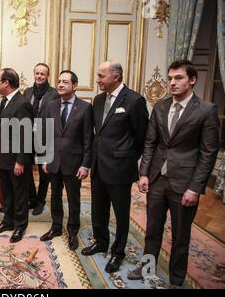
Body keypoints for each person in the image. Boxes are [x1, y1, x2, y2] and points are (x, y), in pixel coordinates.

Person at [127, 60, 220, 288]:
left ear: (192, 80)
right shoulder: (160, 106)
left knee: (180, 237)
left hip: (185, 183)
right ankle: (147, 267)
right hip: (158, 179)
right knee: (153, 229)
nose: (172, 82)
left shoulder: (207, 110)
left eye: (178, 78)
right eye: (170, 78)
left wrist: (195, 188)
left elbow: (208, 153)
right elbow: (150, 143)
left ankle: (177, 280)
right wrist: (144, 174)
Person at [81, 61, 148, 273]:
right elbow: (96, 133)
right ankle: (101, 242)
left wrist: (125, 157)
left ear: (116, 76)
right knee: (98, 208)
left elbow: (141, 137)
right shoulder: (98, 99)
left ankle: (118, 252)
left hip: (120, 168)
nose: (97, 80)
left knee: (120, 213)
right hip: (98, 166)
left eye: (101, 76)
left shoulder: (135, 100)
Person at [41, 70, 93, 251]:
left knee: (73, 199)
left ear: (75, 86)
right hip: (53, 161)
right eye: (59, 81)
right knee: (54, 197)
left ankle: (72, 231)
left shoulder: (86, 108)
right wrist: (45, 159)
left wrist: (85, 164)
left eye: (65, 82)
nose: (60, 85)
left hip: (74, 163)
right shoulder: (51, 105)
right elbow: (46, 134)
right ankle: (55, 227)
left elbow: (88, 139)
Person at [0, 68, 33, 243]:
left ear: (6, 82)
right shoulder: (6, 101)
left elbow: (26, 135)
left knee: (20, 195)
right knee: (7, 193)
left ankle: (20, 226)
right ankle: (8, 221)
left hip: (16, 160)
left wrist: (20, 161)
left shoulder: (22, 104)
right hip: (4, 158)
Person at [23, 63, 58, 215]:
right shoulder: (27, 91)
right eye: (37, 73)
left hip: (45, 136)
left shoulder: (54, 93)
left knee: (45, 172)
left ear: (47, 76)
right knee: (26, 168)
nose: (39, 76)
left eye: (42, 74)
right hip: (27, 136)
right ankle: (31, 198)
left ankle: (40, 201)